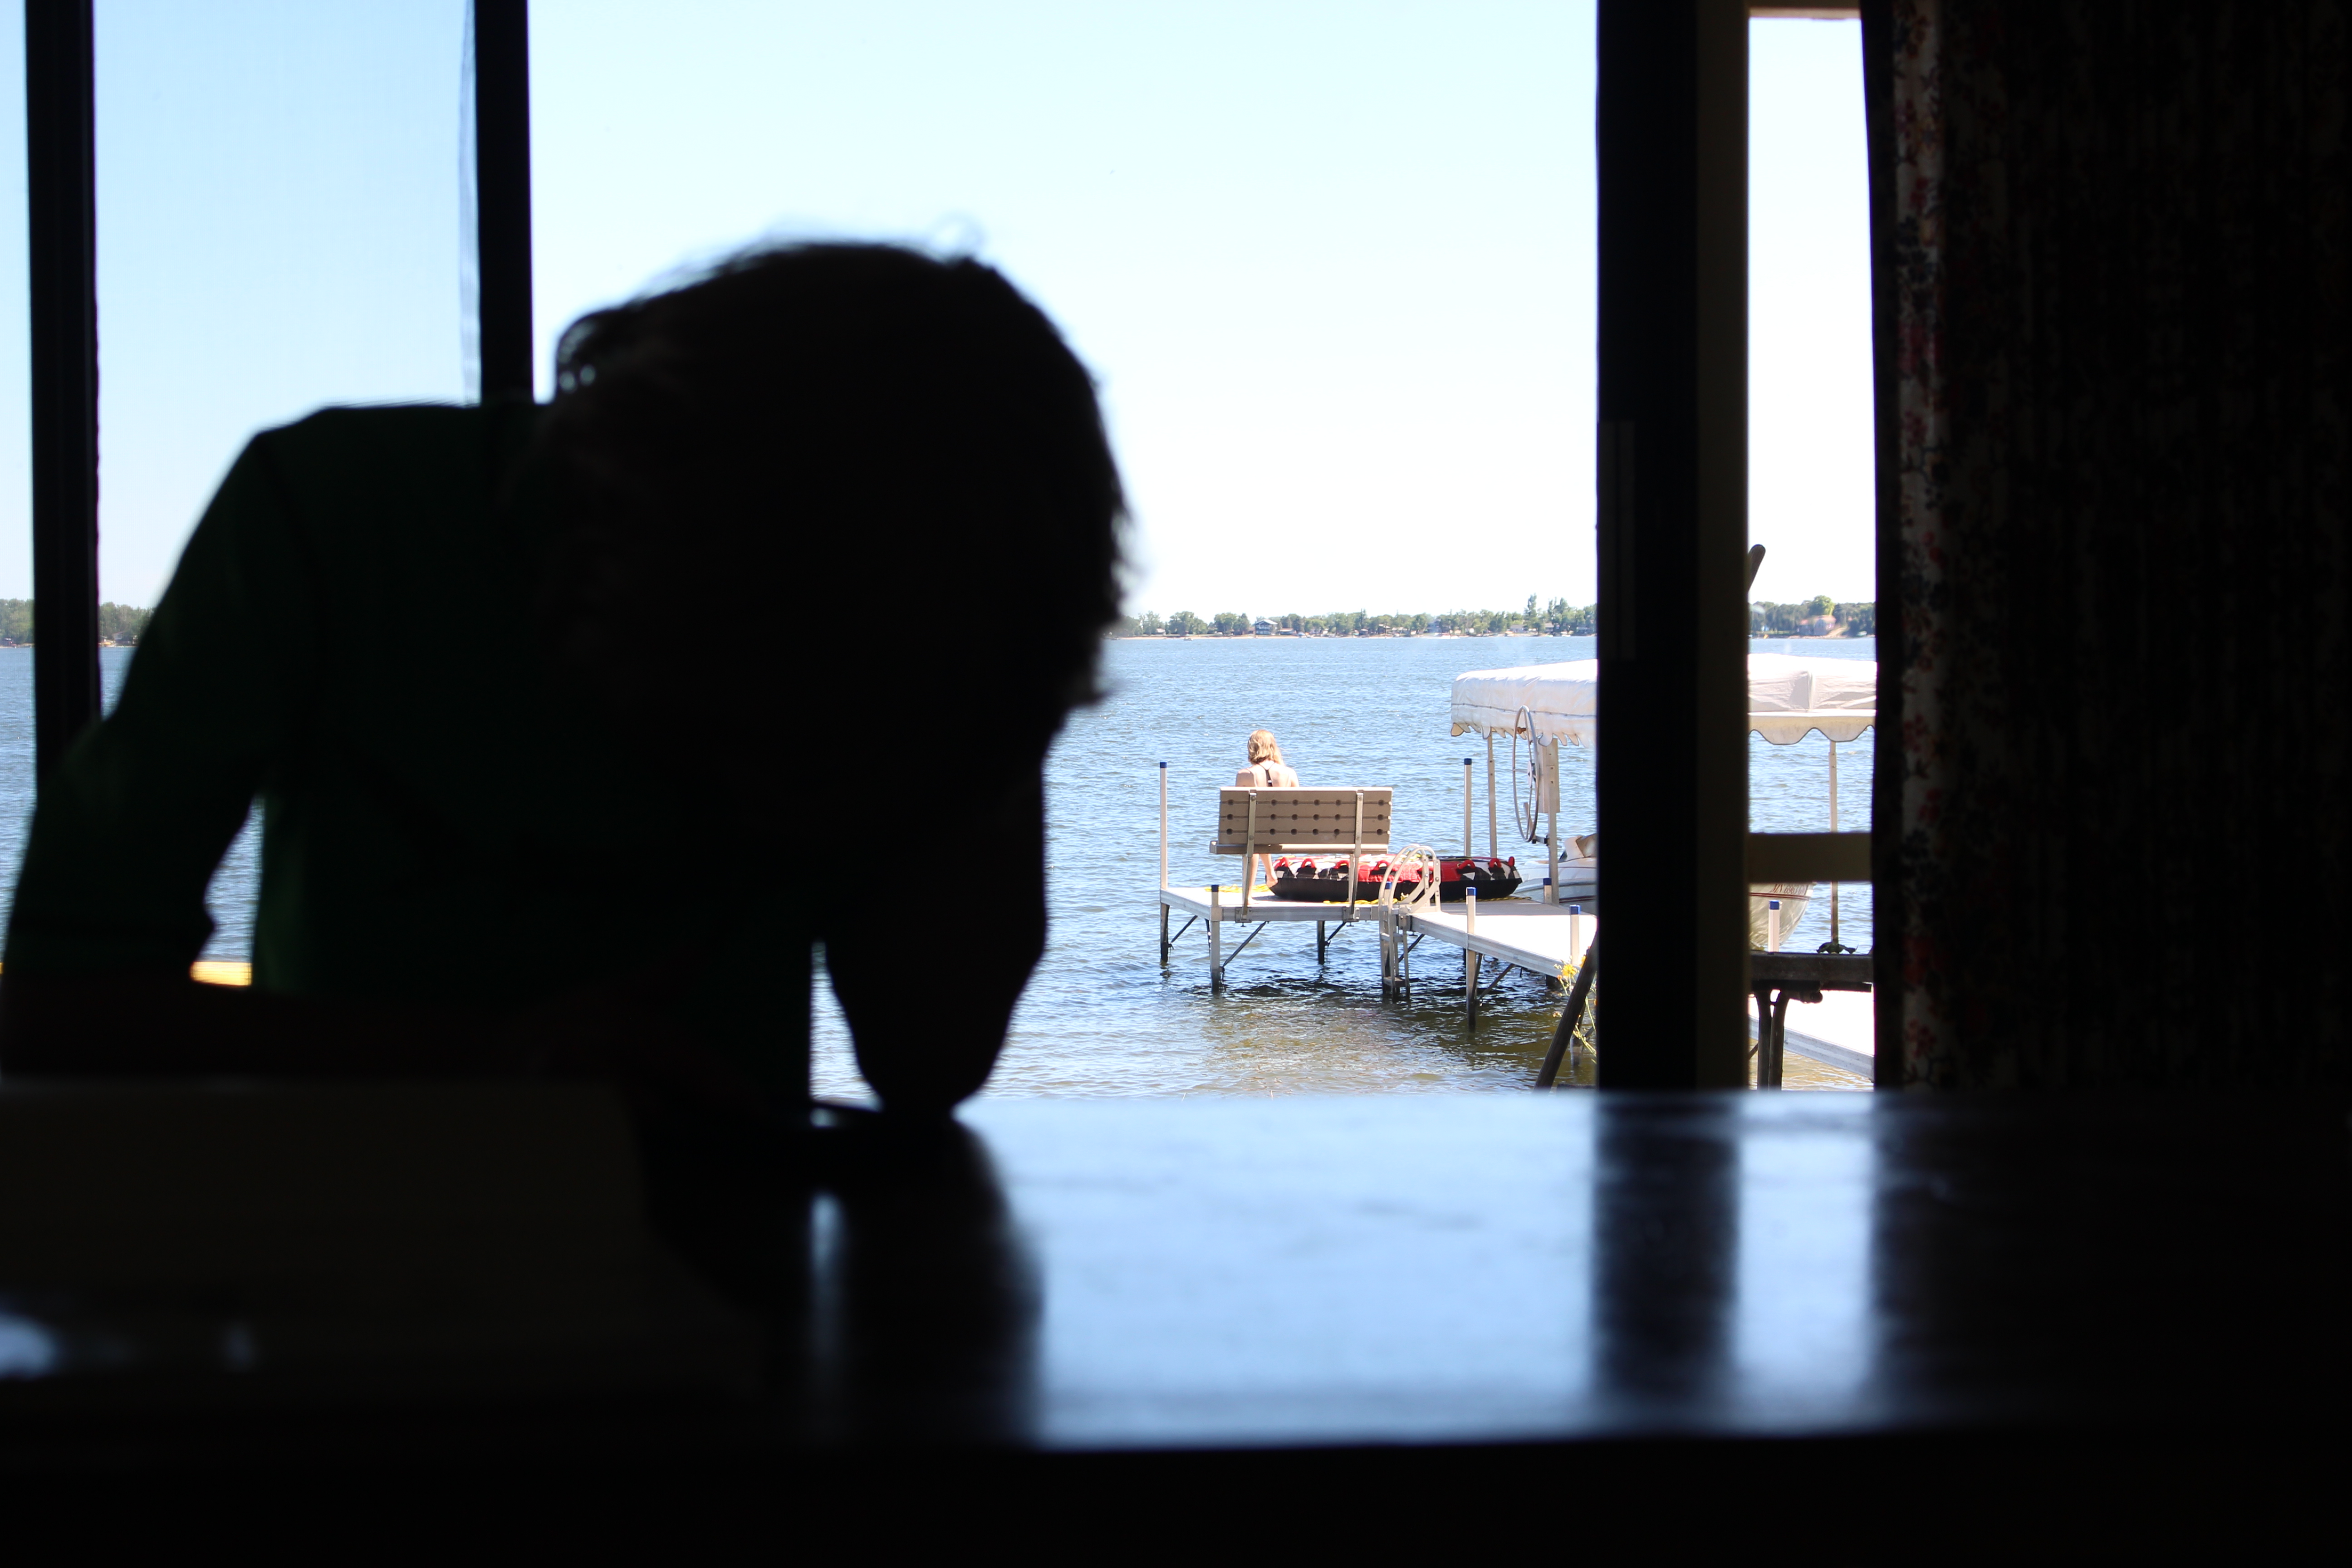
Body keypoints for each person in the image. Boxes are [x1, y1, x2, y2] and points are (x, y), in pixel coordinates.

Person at [0, 243, 1125, 1127]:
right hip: (385, 1249)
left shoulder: (337, 505)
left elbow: (931, 1058)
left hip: (619, 1264)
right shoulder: (326, 512)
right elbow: (54, 1009)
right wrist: (491, 1064)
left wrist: (988, 702)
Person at [1235, 729, 1299, 888]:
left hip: (1257, 833)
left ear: (1252, 748)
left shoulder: (1244, 775)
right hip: (1286, 831)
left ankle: (1248, 895)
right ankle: (1270, 874)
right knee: (1263, 827)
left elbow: (1237, 811)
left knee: (1253, 832)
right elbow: (1297, 807)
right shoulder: (1289, 773)